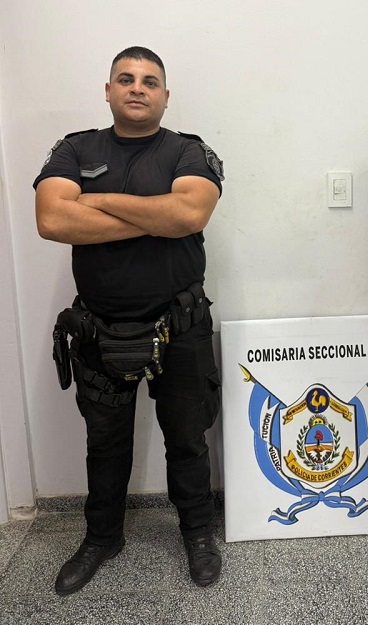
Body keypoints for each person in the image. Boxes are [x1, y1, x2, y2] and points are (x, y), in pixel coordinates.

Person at [34, 47, 225, 595]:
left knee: (187, 439)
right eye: (126, 78)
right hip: (99, 327)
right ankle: (102, 537)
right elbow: (52, 219)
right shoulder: (74, 148)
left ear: (165, 95)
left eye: (149, 80)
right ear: (109, 90)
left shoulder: (189, 151)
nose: (137, 87)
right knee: (105, 442)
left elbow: (189, 213)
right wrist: (156, 216)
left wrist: (96, 203)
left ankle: (196, 533)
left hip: (180, 325)